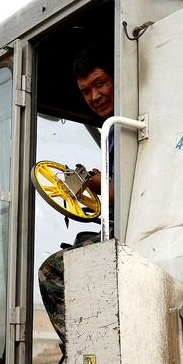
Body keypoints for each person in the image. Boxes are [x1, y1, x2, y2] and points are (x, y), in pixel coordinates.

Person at [38, 47, 115, 341]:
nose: (94, 96)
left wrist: (101, 188)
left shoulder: (126, 126)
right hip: (115, 227)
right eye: (86, 91)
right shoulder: (110, 133)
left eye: (100, 83)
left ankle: (84, 347)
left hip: (133, 231)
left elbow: (136, 189)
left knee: (53, 271)